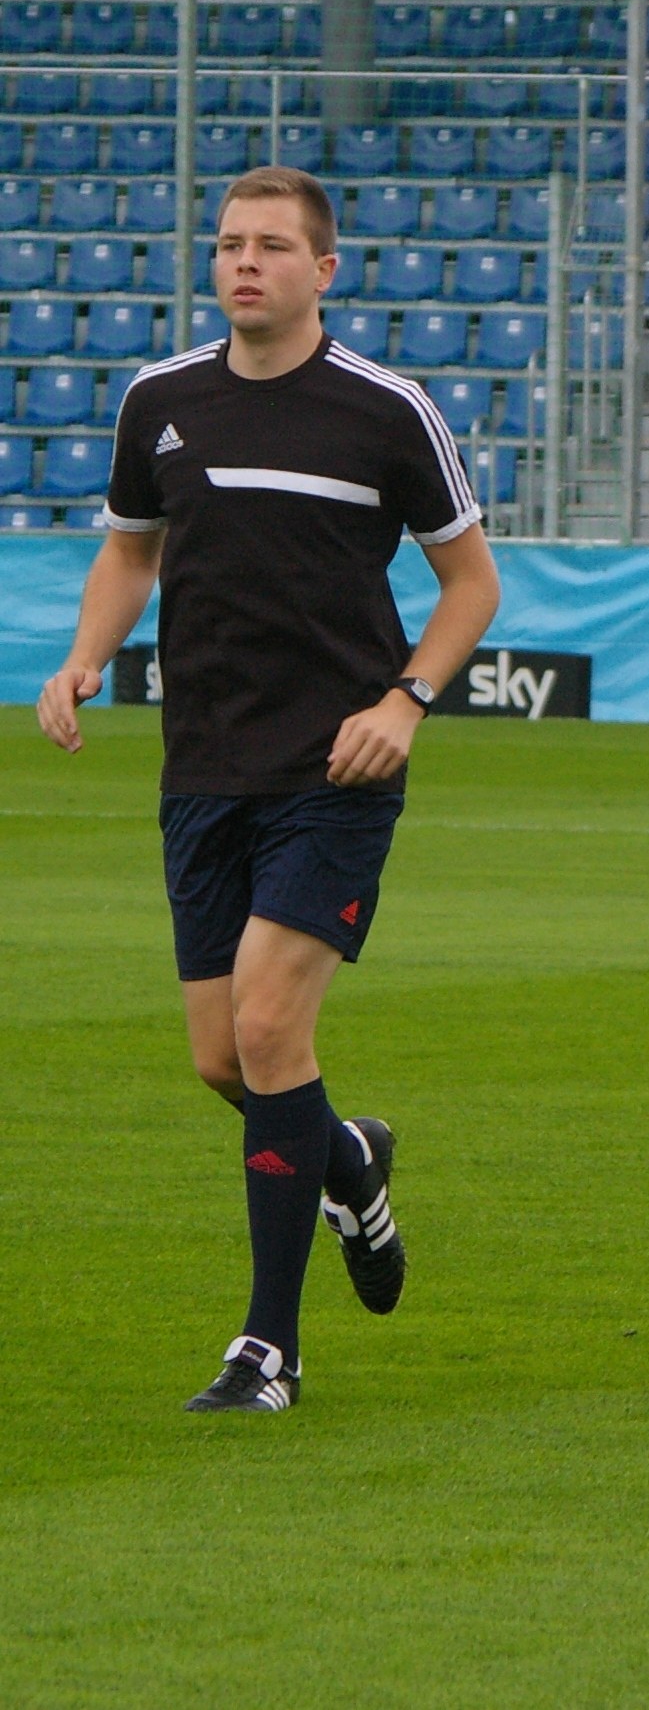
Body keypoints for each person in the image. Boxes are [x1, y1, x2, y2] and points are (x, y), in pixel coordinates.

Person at [36, 167, 501, 1413]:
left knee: (266, 1030)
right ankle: (346, 1155)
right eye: (231, 244)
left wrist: (404, 703)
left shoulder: (386, 410)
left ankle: (268, 1349)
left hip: (333, 773)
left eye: (274, 247)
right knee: (221, 1060)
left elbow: (472, 587)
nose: (247, 264)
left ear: (325, 270)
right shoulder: (161, 402)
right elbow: (132, 549)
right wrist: (84, 655)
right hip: (204, 768)